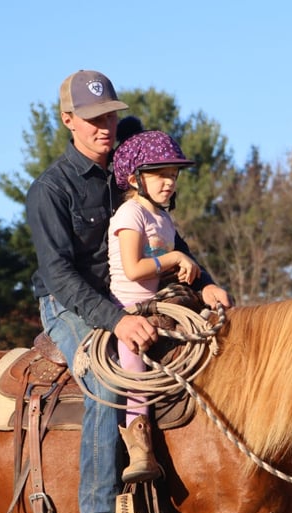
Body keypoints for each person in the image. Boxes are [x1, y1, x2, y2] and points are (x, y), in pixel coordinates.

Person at [25, 70, 230, 513]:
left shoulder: (129, 175)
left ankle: (180, 502)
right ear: (68, 120)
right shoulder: (50, 190)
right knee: (106, 383)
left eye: (111, 117)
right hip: (71, 304)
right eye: (93, 119)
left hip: (133, 298)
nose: (105, 127)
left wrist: (205, 283)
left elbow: (169, 242)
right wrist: (117, 321)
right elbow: (60, 276)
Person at [109, 130, 219, 484]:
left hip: (158, 305)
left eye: (173, 175)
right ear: (134, 179)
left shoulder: (163, 219)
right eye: (159, 175)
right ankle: (138, 449)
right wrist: (175, 258)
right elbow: (133, 269)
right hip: (129, 308)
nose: (169, 182)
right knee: (136, 372)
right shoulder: (130, 214)